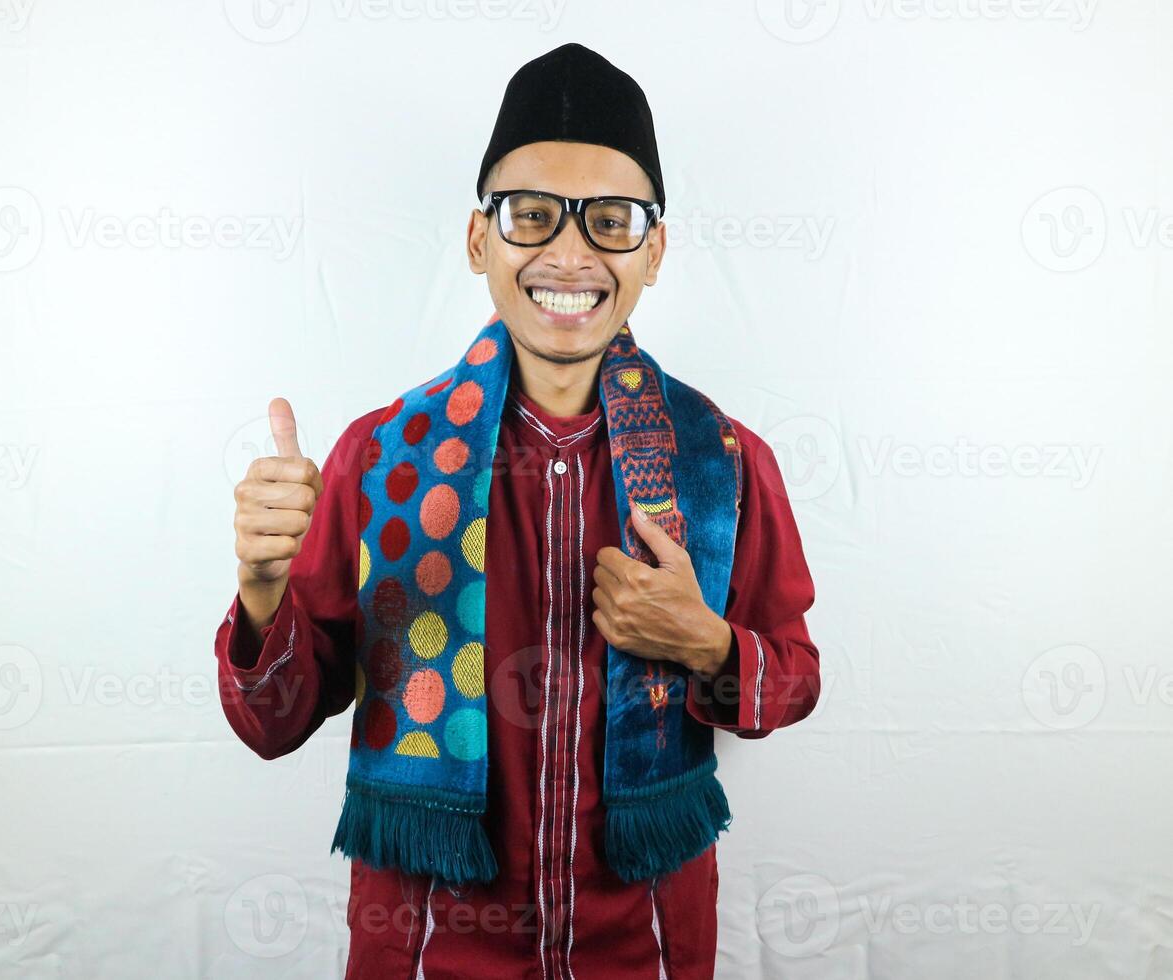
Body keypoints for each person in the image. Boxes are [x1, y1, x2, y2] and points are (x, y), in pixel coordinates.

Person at [215, 41, 821, 980]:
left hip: (646, 945)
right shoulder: (378, 460)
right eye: (531, 215)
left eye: (609, 221)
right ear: (477, 240)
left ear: (652, 250)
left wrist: (707, 644)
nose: (569, 254)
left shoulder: (726, 461)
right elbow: (275, 723)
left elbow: (792, 678)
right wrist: (260, 592)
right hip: (424, 950)